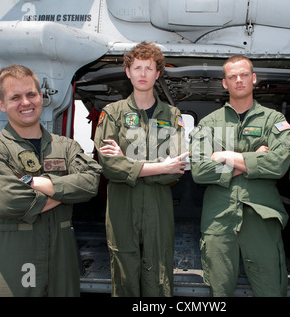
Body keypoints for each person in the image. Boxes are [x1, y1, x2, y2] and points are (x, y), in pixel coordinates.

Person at [0, 65, 102, 296]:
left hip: (61, 265)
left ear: (41, 97)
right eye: (15, 97)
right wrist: (65, 190)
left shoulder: (65, 146)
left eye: (31, 94)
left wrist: (35, 184)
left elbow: (90, 184)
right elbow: (8, 201)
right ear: (1, 104)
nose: (25, 102)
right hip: (11, 265)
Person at [189, 55, 290, 296]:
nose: (239, 80)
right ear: (224, 83)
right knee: (219, 293)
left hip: (262, 218)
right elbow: (200, 171)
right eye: (232, 76)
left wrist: (224, 156)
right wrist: (252, 159)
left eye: (244, 75)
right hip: (219, 220)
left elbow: (278, 163)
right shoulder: (208, 123)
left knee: (270, 289)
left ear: (254, 79)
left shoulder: (274, 120)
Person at [94, 42, 188, 297]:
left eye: (149, 68)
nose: (143, 73)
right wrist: (157, 166)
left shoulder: (171, 115)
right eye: (137, 67)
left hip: (158, 206)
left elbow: (176, 168)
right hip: (122, 206)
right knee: (124, 272)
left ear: (158, 73)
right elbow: (109, 167)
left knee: (159, 274)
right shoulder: (112, 114)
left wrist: (130, 164)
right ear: (128, 72)